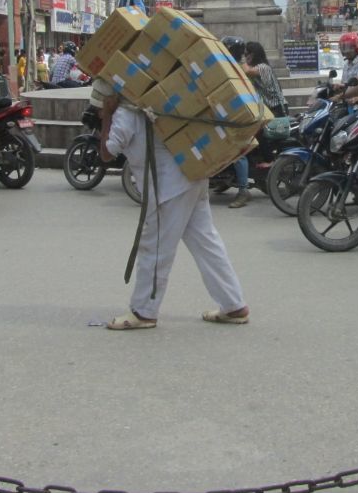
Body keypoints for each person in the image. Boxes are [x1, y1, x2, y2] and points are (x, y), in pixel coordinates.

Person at [101, 102, 249, 330]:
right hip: (194, 177)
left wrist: (106, 114)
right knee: (207, 244)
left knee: (155, 248)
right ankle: (233, 305)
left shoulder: (126, 112)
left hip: (168, 189)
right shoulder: (164, 100)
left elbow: (107, 153)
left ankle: (143, 311)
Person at [229, 40, 289, 209]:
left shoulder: (263, 68)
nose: (245, 57)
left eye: (248, 53)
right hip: (264, 110)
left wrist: (233, 56)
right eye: (244, 53)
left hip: (276, 110)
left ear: (254, 54)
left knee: (250, 135)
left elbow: (246, 70)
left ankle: (269, 161)